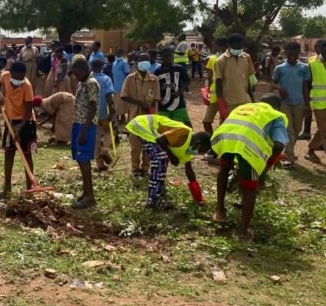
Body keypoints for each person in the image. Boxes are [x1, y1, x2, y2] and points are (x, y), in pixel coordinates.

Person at [211, 95, 288, 239]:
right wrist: (265, 165)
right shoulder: (274, 114)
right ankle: (242, 231)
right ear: (277, 107)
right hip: (248, 143)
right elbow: (279, 145)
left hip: (226, 136)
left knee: (224, 168)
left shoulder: (245, 107)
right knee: (251, 185)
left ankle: (219, 210)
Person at [126, 114, 211, 208]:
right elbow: (160, 140)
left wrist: (198, 198)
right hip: (143, 124)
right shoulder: (184, 132)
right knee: (160, 160)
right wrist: (171, 156)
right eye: (200, 151)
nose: (198, 154)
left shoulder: (187, 150)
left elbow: (189, 171)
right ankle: (153, 201)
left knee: (161, 160)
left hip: (150, 131)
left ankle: (158, 192)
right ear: (197, 144)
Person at [0, 61, 36, 199]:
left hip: (26, 122)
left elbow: (29, 110)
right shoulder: (5, 76)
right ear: (11, 73)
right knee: (9, 153)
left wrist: (20, 128)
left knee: (27, 155)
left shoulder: (27, 86)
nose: (19, 80)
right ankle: (7, 188)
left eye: (22, 77)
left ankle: (30, 189)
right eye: (17, 77)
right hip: (10, 120)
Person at [121, 52, 160, 177]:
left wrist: (151, 113)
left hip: (149, 117)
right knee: (135, 145)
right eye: (142, 59)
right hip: (134, 116)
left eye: (147, 59)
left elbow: (155, 98)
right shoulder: (130, 78)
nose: (145, 62)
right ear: (137, 62)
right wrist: (140, 103)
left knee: (148, 144)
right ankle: (135, 168)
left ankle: (145, 168)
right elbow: (124, 96)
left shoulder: (154, 79)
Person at [272, 42, 309, 169]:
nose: (292, 57)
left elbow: (305, 87)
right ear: (285, 53)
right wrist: (280, 88)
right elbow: (273, 83)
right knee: (289, 131)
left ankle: (289, 150)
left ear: (299, 53)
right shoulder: (280, 68)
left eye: (295, 54)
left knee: (297, 129)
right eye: (290, 54)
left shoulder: (304, 68)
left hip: (299, 102)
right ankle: (289, 157)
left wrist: (307, 104)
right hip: (285, 103)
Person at [70, 59, 99, 209]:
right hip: (78, 123)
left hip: (86, 125)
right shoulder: (82, 83)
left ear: (84, 70)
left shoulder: (91, 83)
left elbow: (93, 107)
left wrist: (84, 130)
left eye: (77, 74)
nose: (76, 77)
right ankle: (86, 192)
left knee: (84, 159)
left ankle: (90, 196)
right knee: (80, 159)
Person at [214, 33, 255, 121]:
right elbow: (218, 84)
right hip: (229, 103)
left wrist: (253, 100)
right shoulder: (220, 61)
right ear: (229, 45)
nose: (238, 50)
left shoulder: (247, 57)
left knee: (247, 125)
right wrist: (221, 104)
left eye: (240, 47)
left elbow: (248, 80)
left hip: (246, 101)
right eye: (236, 48)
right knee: (229, 126)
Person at [154, 48, 191, 127]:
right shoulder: (157, 71)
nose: (168, 58)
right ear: (162, 57)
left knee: (186, 123)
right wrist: (158, 97)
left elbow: (187, 81)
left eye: (170, 56)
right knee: (164, 126)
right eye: (166, 56)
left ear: (172, 56)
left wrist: (179, 92)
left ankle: (192, 135)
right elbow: (154, 86)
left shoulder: (179, 68)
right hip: (163, 104)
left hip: (178, 102)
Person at [91, 58, 115, 171]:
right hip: (103, 111)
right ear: (102, 67)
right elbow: (109, 96)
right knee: (108, 132)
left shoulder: (88, 79)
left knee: (96, 137)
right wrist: (112, 110)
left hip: (92, 113)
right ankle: (105, 149)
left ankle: (100, 164)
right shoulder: (106, 79)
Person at [202, 37, 229, 134]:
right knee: (209, 120)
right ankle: (211, 139)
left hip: (220, 96)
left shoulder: (213, 59)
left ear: (221, 47)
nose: (213, 48)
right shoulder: (229, 59)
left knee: (208, 121)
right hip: (219, 96)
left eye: (215, 45)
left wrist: (208, 89)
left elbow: (209, 77)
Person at [305, 39, 326, 163]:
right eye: (323, 48)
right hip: (318, 102)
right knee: (323, 128)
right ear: (319, 49)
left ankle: (311, 149)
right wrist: (307, 103)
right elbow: (307, 84)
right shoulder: (312, 63)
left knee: (323, 128)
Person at [112, 48, 130, 125]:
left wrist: (126, 85)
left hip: (122, 86)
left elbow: (127, 74)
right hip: (115, 86)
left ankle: (123, 117)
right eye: (116, 52)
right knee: (116, 103)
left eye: (119, 52)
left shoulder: (124, 62)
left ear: (122, 53)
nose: (117, 54)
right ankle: (117, 117)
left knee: (122, 103)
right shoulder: (114, 63)